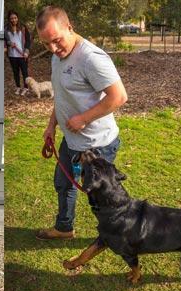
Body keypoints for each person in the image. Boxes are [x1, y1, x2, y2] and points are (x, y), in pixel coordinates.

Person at [33, 6, 126, 240]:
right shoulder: (58, 56)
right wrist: (51, 126)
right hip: (72, 140)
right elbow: (63, 96)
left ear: (70, 27)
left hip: (98, 144)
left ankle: (119, 234)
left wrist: (84, 118)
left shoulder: (91, 58)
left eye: (56, 41)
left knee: (101, 195)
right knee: (64, 183)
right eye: (46, 44)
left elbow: (119, 97)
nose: (53, 49)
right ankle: (65, 228)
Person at [5, 10, 32, 96]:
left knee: (24, 72)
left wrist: (26, 52)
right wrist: (9, 44)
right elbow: (5, 41)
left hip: (22, 54)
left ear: (18, 18)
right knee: (15, 72)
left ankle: (26, 88)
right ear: (9, 19)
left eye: (15, 18)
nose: (14, 20)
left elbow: (28, 41)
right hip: (12, 55)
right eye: (11, 18)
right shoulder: (5, 29)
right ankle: (18, 87)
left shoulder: (23, 28)